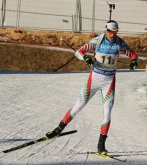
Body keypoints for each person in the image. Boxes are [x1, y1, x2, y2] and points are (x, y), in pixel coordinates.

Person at [45, 20, 138, 154]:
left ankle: (101, 145)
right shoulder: (98, 40)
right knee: (78, 107)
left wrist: (134, 61)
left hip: (109, 82)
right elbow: (79, 52)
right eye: (110, 31)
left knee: (107, 112)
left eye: (115, 32)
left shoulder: (120, 43)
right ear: (106, 30)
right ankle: (58, 130)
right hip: (94, 79)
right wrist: (86, 58)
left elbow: (133, 55)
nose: (112, 34)